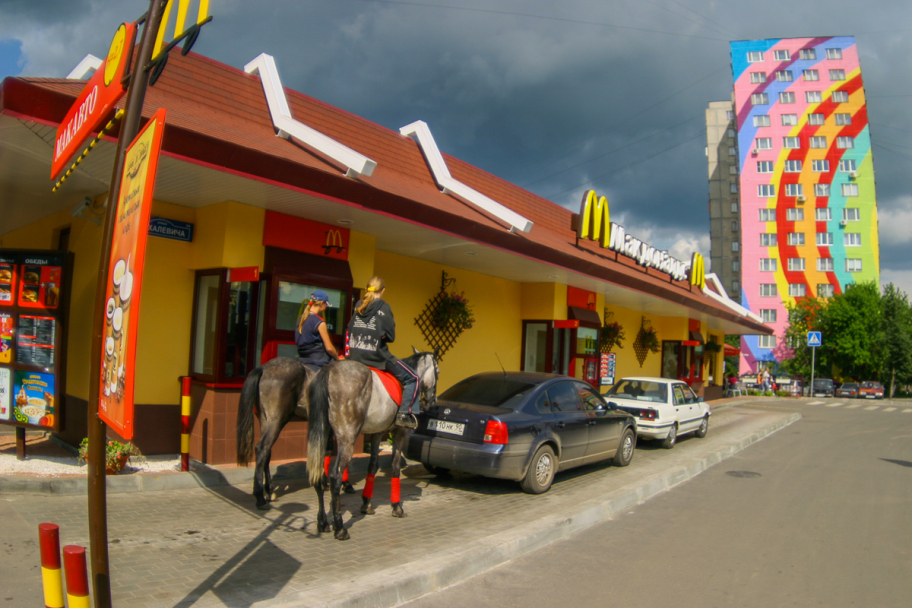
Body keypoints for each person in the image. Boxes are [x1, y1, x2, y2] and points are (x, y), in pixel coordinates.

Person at [345, 276, 419, 426]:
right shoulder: (384, 307)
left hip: (354, 356)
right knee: (413, 378)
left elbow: (350, 328)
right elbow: (391, 336)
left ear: (367, 289)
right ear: (383, 290)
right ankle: (404, 415)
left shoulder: (358, 305)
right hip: (376, 357)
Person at [295, 290, 341, 371]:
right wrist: (337, 358)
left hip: (303, 360)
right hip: (318, 362)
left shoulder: (301, 319)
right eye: (326, 304)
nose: (326, 307)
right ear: (321, 303)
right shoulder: (319, 322)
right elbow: (329, 348)